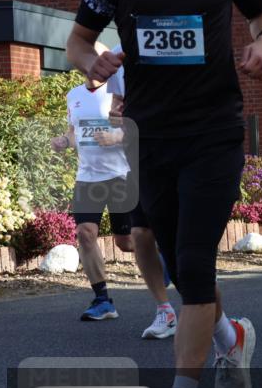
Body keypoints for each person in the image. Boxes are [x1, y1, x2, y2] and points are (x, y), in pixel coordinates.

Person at [67, 0, 262, 388]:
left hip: (212, 132)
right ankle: (231, 338)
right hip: (150, 135)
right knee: (166, 255)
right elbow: (78, 41)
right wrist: (92, 64)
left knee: (193, 258)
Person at [51, 70, 174, 334]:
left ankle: (165, 259)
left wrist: (115, 137)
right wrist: (65, 140)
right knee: (85, 233)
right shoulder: (73, 95)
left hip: (121, 174)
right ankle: (103, 300)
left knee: (127, 242)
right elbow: (75, 132)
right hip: (88, 177)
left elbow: (135, 127)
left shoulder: (119, 92)